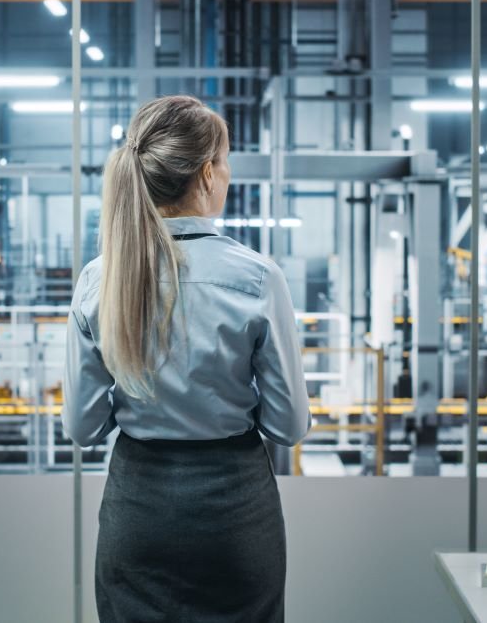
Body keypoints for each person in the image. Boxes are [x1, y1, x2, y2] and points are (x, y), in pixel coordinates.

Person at [63, 94, 311, 622]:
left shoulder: (98, 279)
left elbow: (83, 428)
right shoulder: (258, 278)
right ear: (205, 172)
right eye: (225, 161)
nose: (226, 174)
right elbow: (288, 426)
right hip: (235, 512)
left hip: (138, 507)